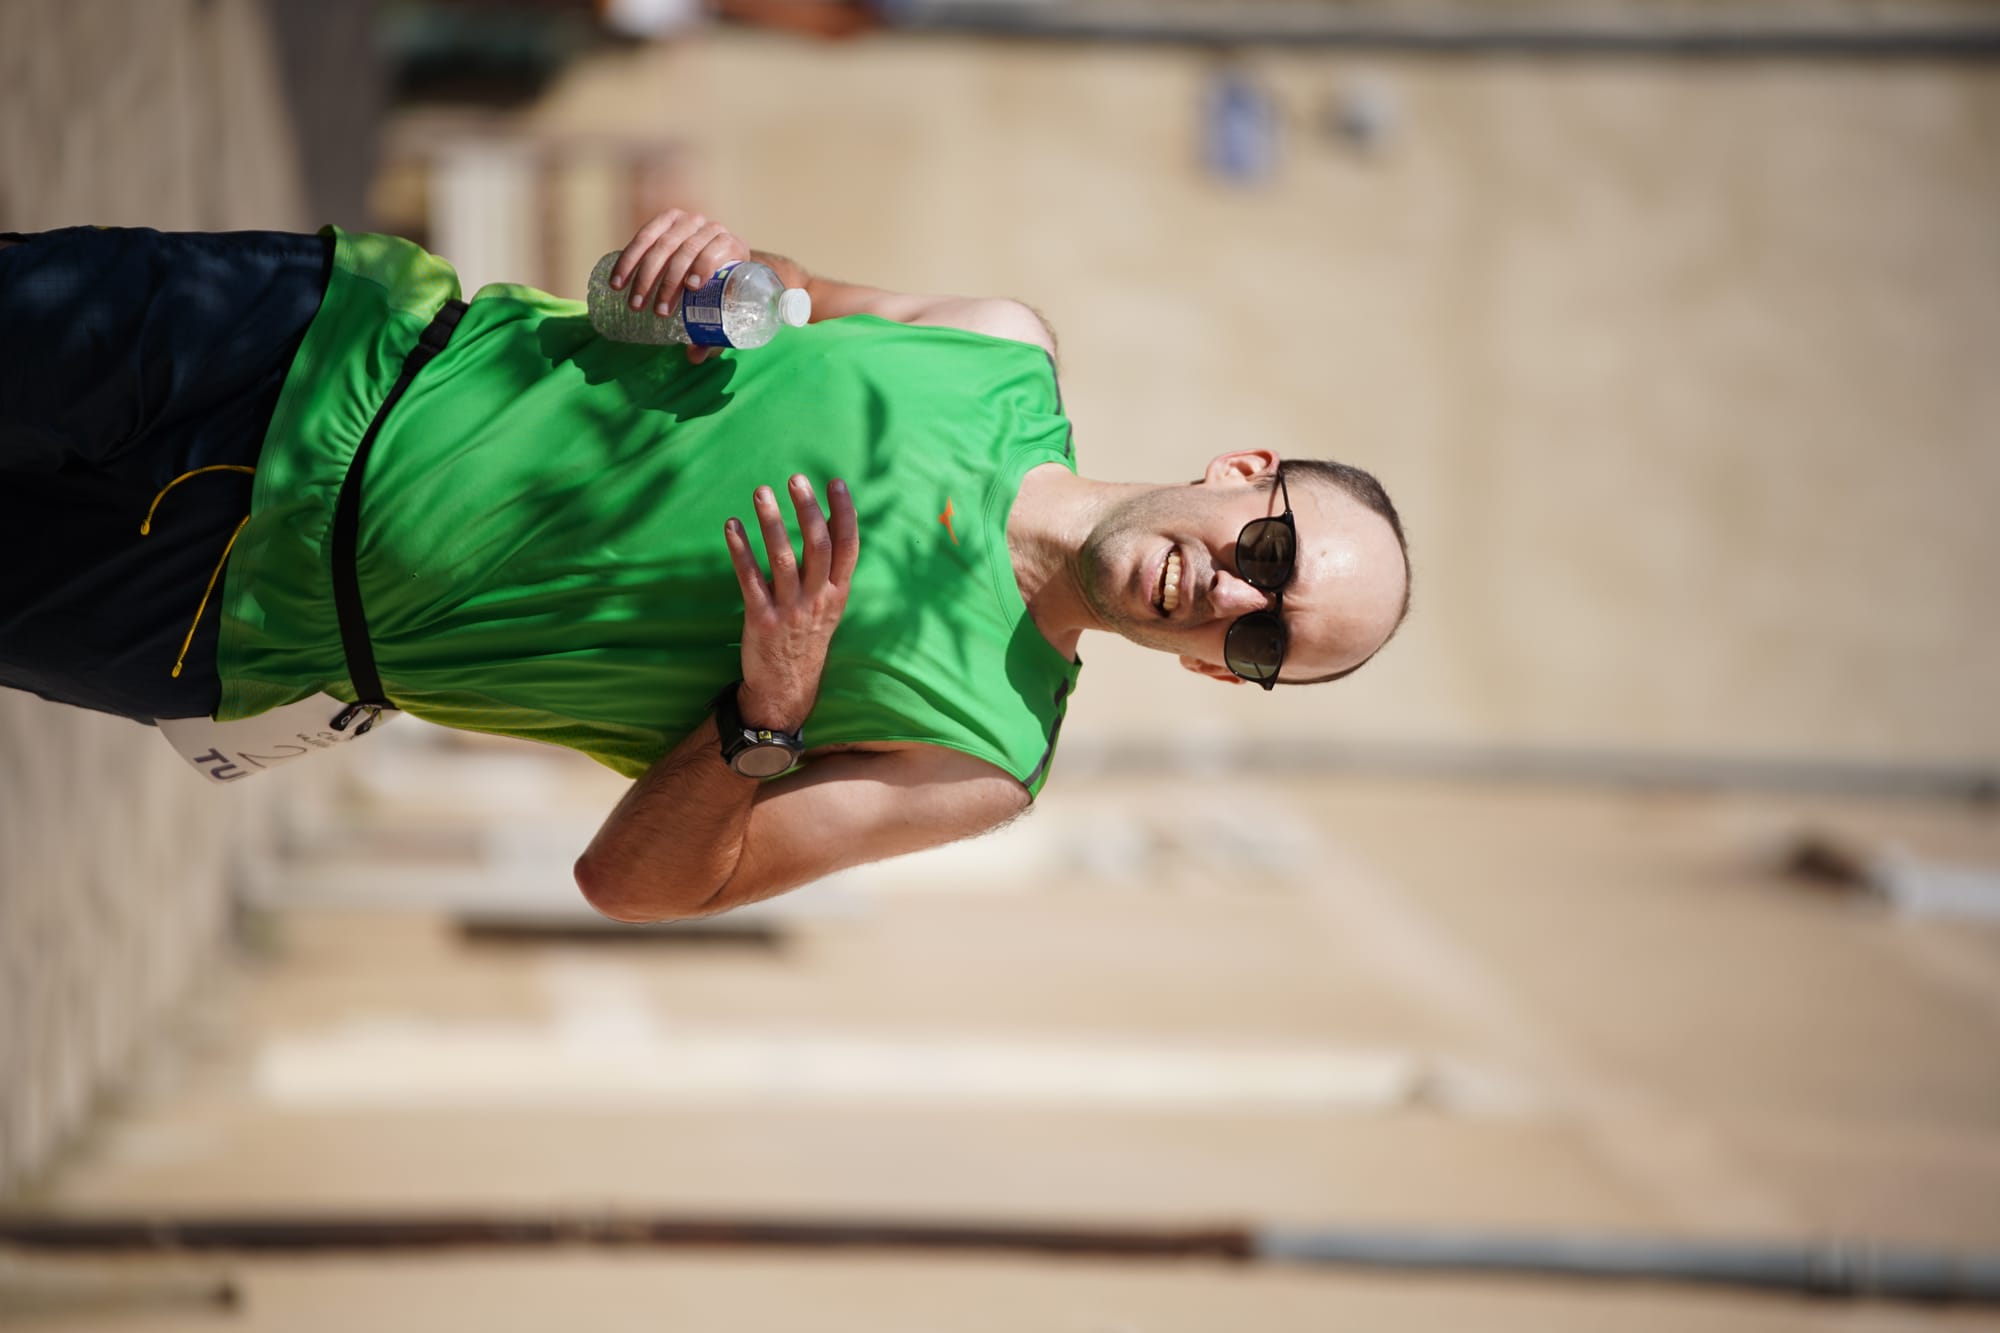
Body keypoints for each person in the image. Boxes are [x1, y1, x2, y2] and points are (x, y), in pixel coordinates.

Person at [0, 213, 1410, 923]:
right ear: (1243, 469)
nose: (1236, 594)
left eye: (1267, 637)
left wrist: (767, 713)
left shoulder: (982, 756)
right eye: (1271, 548)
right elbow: (763, 299)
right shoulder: (994, 343)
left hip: (233, 615)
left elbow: (640, 885)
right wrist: (695, 269)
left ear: (1225, 674)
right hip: (310, 340)